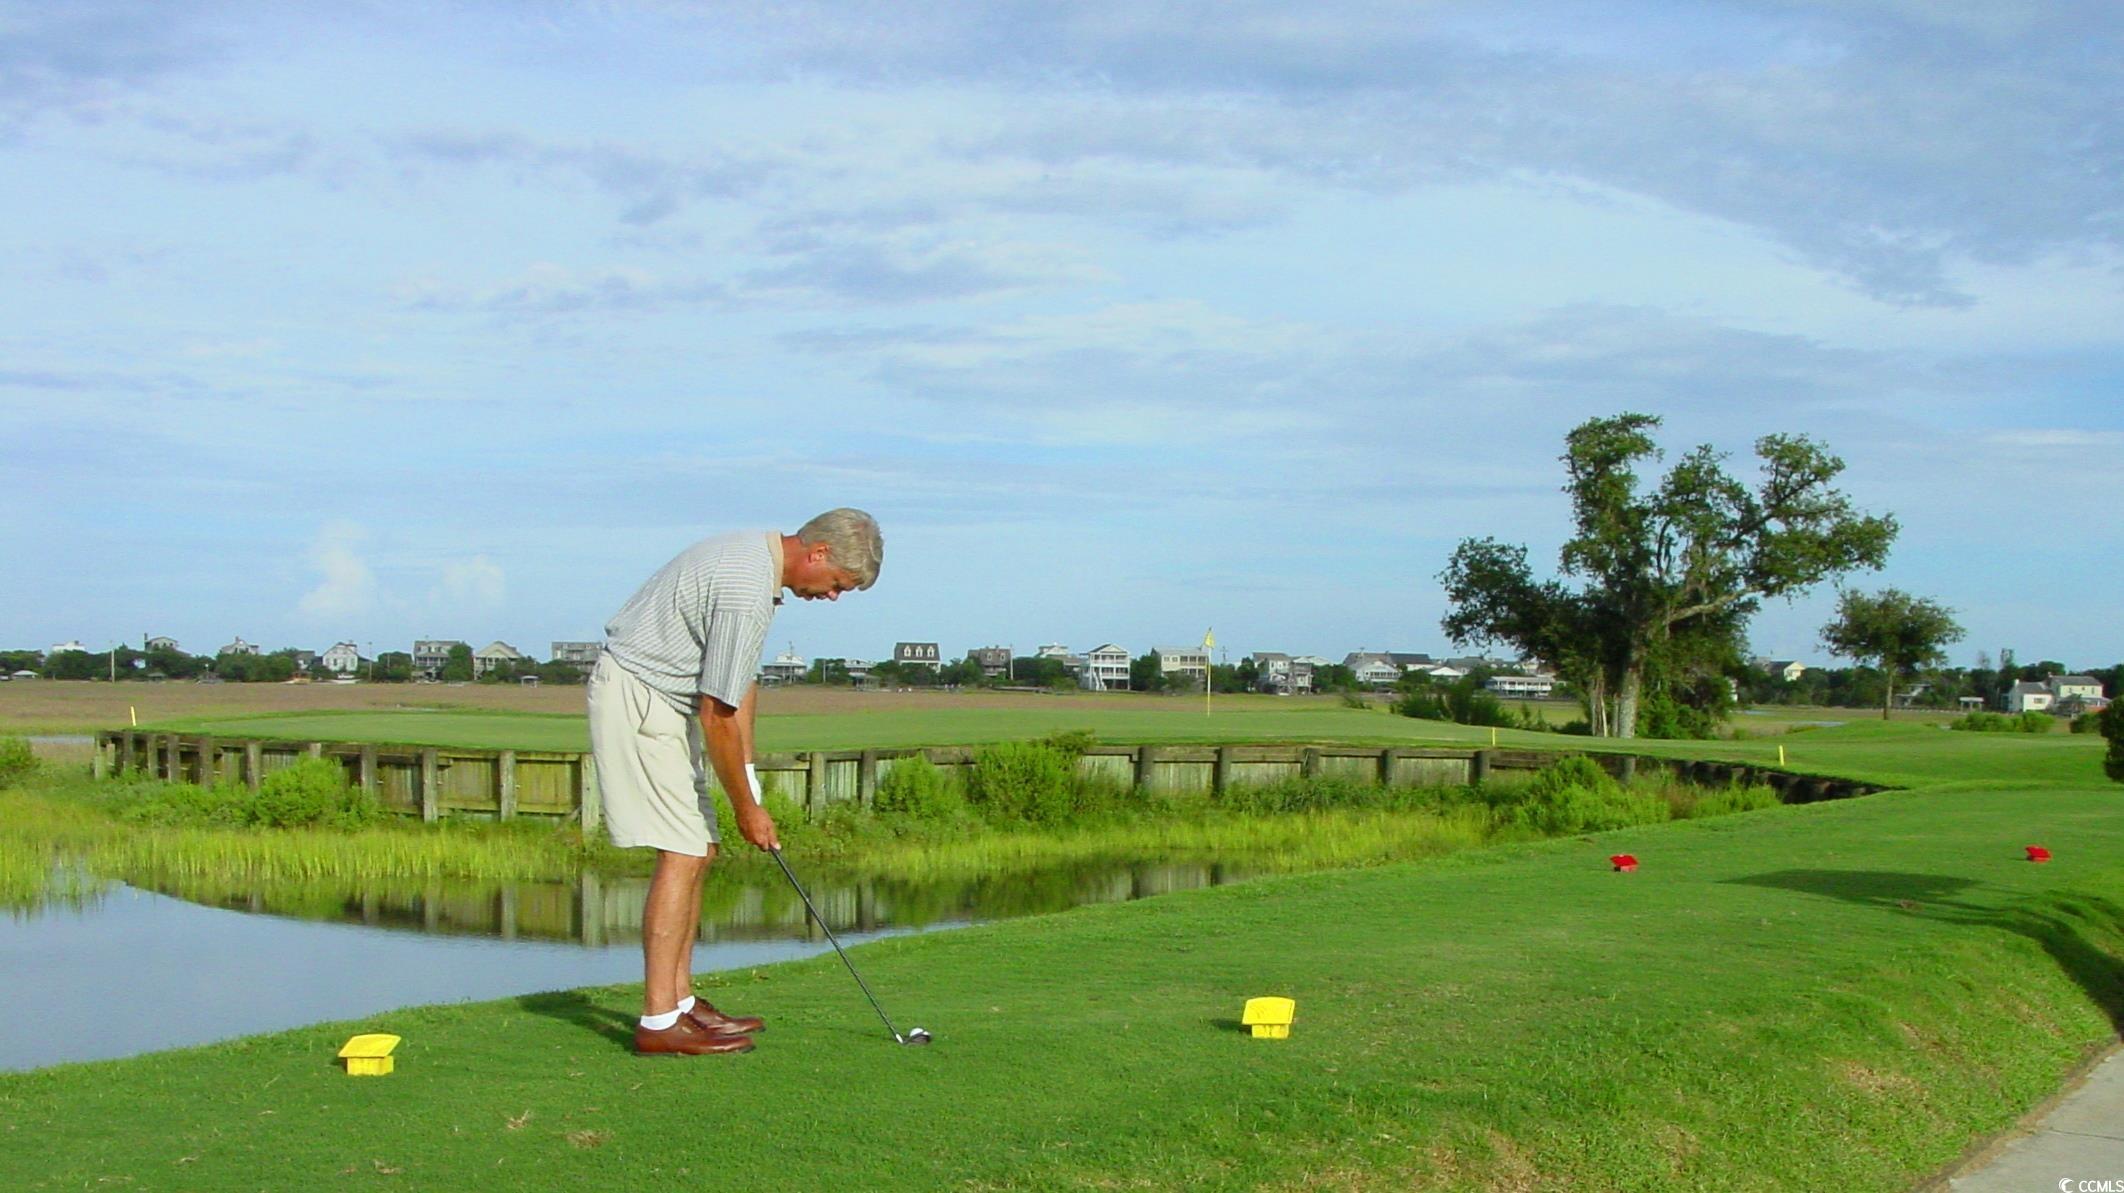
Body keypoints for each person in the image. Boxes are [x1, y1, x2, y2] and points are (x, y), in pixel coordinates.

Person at [588, 508, 882, 1056]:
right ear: (817, 553)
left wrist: (748, 781)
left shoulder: (757, 567)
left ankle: (679, 1003)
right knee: (682, 851)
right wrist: (748, 810)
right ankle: (658, 1022)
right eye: (838, 585)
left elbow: (739, 687)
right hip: (639, 697)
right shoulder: (747, 588)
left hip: (661, 701)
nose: (833, 597)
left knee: (699, 848)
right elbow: (717, 713)